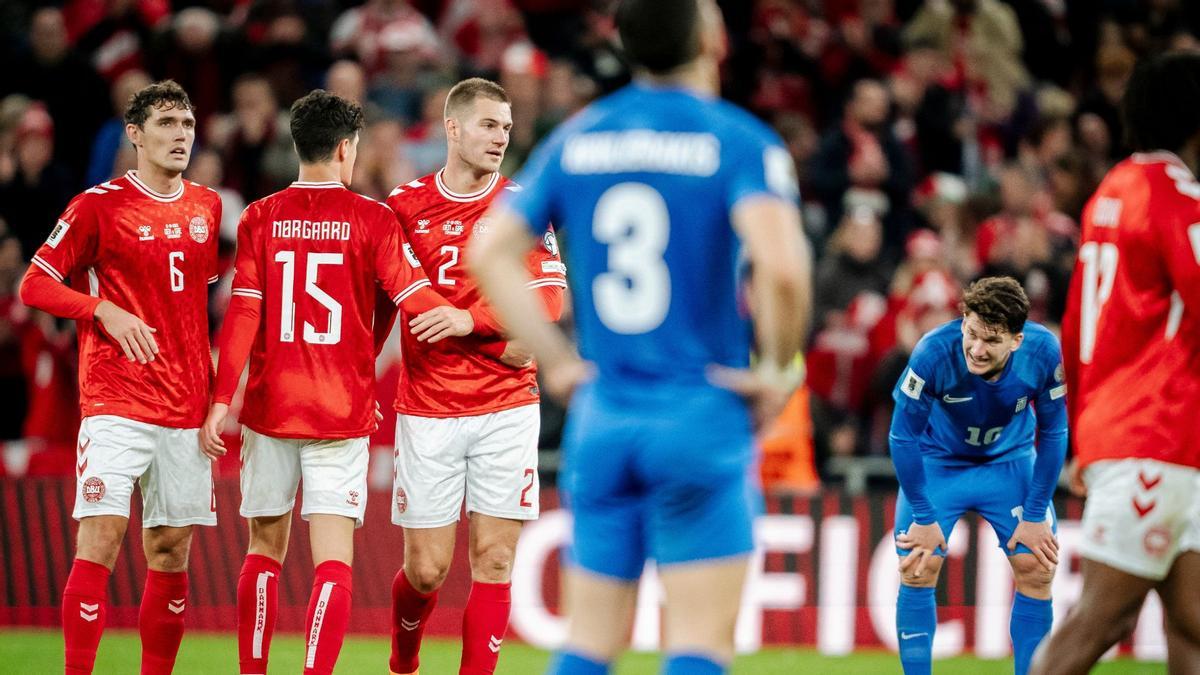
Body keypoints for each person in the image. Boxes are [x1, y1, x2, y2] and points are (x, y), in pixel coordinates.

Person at [468, 1, 812, 672]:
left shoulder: (580, 137)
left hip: (603, 416)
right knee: (698, 642)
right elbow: (783, 268)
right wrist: (776, 369)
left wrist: (561, 362)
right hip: (698, 410)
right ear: (711, 37)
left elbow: (490, 253)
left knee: (588, 643)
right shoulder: (737, 141)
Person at [196, 89, 470, 675]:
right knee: (333, 563)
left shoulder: (260, 216)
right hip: (341, 410)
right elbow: (416, 302)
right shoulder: (373, 220)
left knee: (263, 552)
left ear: (300, 145)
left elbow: (243, 312)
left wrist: (222, 401)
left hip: (271, 406)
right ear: (346, 149)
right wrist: (477, 310)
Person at [17, 80, 222, 675]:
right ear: (134, 134)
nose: (181, 134)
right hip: (116, 400)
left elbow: (191, 307)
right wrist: (101, 308)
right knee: (101, 540)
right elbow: (35, 282)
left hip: (185, 405)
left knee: (170, 550)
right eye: (166, 123)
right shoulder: (96, 206)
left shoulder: (206, 207)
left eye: (186, 123)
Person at [383, 77, 567, 675]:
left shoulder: (522, 202)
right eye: (489, 125)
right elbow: (390, 300)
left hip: (508, 406)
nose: (501, 137)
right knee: (427, 570)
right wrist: (501, 335)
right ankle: (404, 657)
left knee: (493, 561)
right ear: (453, 127)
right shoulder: (403, 206)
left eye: (507, 128)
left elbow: (548, 302)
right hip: (429, 406)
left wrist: (468, 319)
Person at [1031, 52, 1200, 675]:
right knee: (1104, 617)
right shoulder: (1177, 194)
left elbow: (1078, 328)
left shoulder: (1113, 190)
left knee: (1193, 626)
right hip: (1158, 432)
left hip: (1140, 433)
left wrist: (1082, 433)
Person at [888, 276, 1067, 675]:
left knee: (1038, 569)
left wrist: (1036, 513)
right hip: (940, 464)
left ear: (1016, 341)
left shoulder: (1043, 352)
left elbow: (1055, 432)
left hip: (1010, 462)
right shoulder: (933, 352)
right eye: (971, 333)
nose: (976, 349)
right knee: (917, 568)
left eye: (991, 340)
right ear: (963, 318)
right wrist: (922, 514)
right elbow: (902, 436)